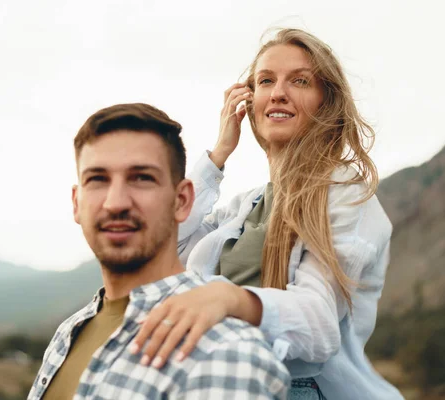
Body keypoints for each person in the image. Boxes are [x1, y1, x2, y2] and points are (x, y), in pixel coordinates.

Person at [129, 29, 404, 400]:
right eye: (266, 81)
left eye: (300, 81)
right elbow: (162, 242)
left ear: (326, 102)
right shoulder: (248, 205)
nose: (277, 92)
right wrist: (218, 154)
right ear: (249, 100)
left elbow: (318, 324)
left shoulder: (345, 192)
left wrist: (230, 300)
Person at [27, 103, 290, 399]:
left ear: (182, 200)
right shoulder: (67, 334)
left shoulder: (228, 355)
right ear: (77, 203)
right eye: (97, 179)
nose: (115, 202)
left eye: (142, 178)